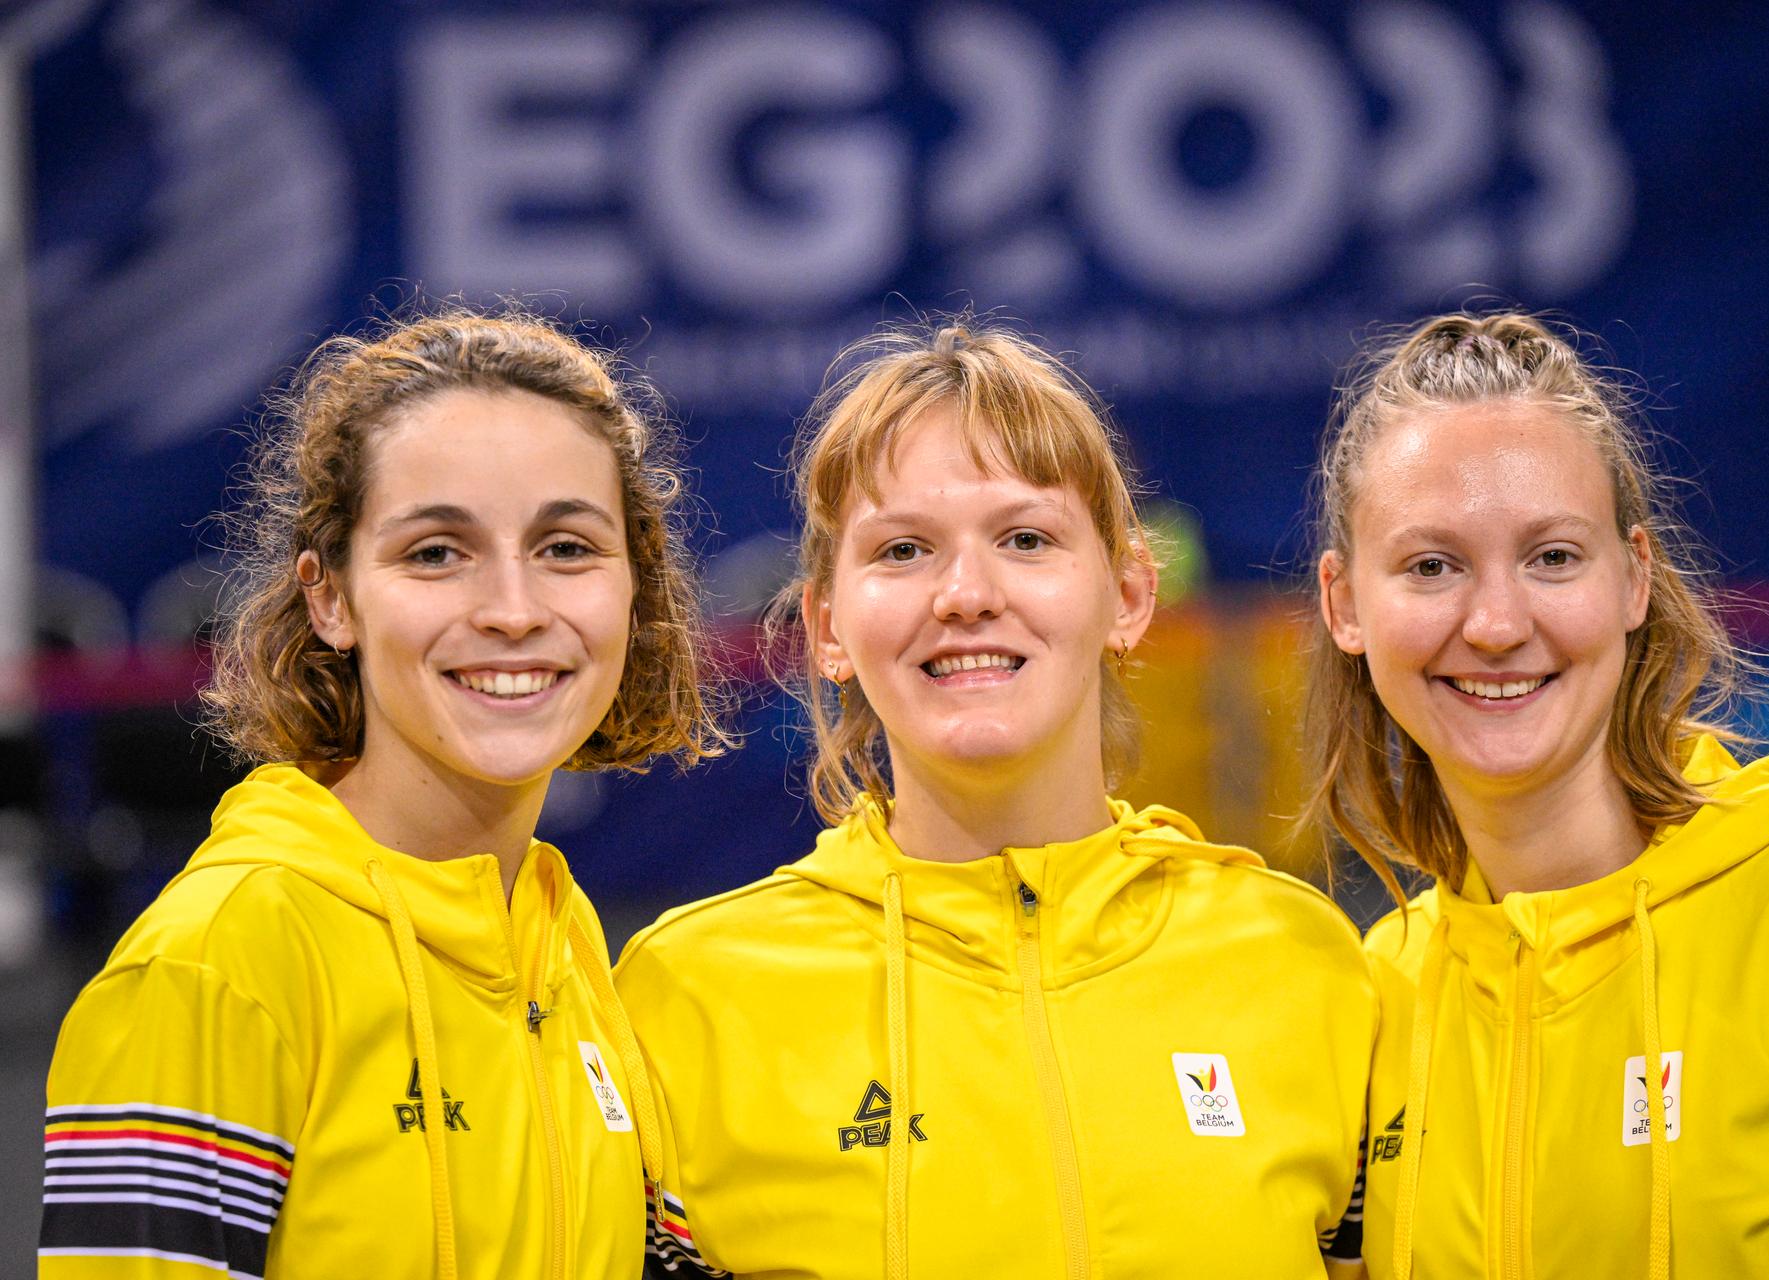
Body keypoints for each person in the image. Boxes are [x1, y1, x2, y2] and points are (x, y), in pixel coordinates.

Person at [614, 319, 1374, 1280]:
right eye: (902, 551)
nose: (966, 593)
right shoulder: (685, 996)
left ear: (1130, 596)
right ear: (826, 626)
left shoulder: (1308, 968)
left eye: (1025, 538)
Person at [39, 308, 727, 1279]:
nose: (514, 609)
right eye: (436, 552)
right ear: (330, 596)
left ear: (633, 584)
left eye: (566, 547)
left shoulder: (561, 950)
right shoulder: (215, 962)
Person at [1307, 311, 1769, 1278]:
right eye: (1432, 566)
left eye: (1553, 556)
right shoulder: (1366, 1003)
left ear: (1635, 577)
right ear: (1344, 604)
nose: (1499, 623)